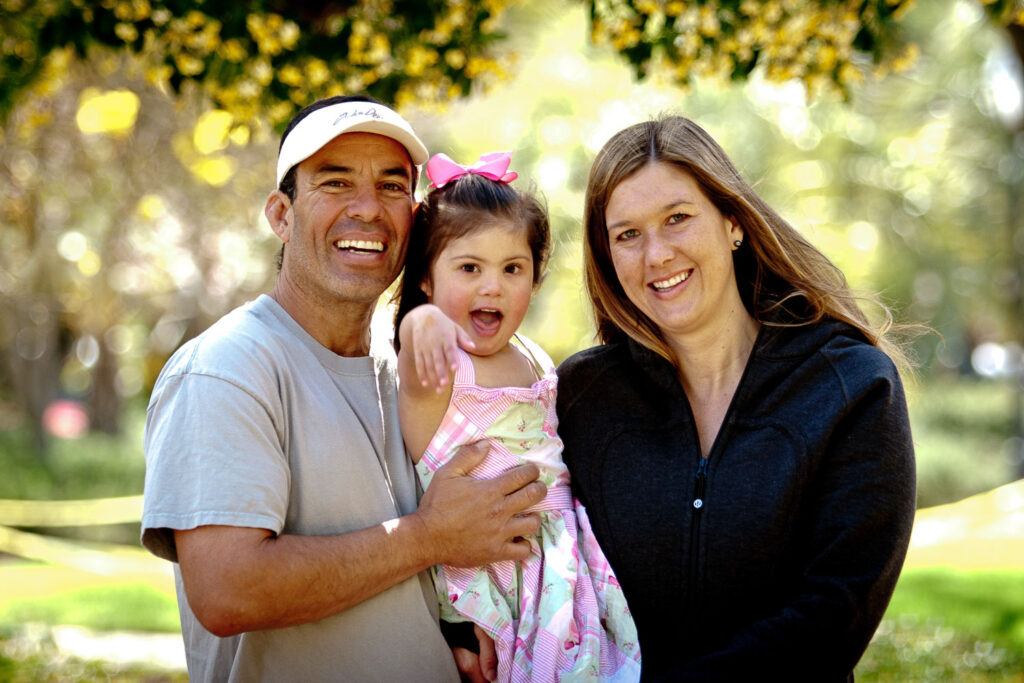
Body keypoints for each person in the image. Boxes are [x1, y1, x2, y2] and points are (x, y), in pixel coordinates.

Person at [141, 95, 548, 683]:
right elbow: (229, 591)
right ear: (281, 214)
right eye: (335, 183)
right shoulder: (225, 371)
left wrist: (462, 635)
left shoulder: (422, 371)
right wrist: (427, 537)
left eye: (390, 187)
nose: (368, 210)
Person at [555, 116, 917, 681]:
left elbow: (834, 614)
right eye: (627, 234)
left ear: (733, 223)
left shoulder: (851, 386)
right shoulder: (580, 397)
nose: (656, 255)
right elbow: (523, 541)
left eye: (677, 218)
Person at [393, 151, 641, 682]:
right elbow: (413, 367)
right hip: (490, 568)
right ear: (425, 281)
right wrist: (423, 325)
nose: (493, 286)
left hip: (558, 555)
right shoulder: (440, 368)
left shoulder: (529, 353)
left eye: (513, 268)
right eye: (469, 268)